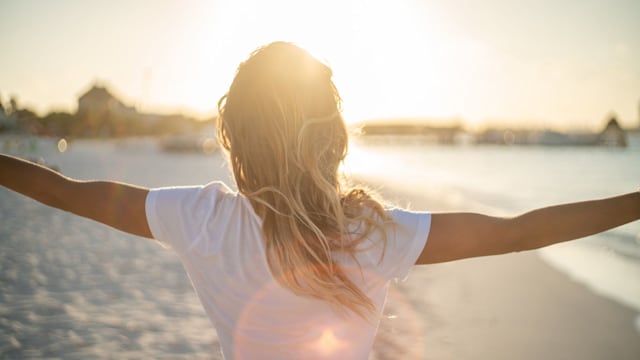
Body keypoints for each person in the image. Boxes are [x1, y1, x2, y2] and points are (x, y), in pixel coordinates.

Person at [1, 41, 639, 359]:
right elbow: (519, 231)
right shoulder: (373, 233)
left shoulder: (200, 218)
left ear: (238, 141)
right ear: (332, 137)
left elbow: (61, 189)